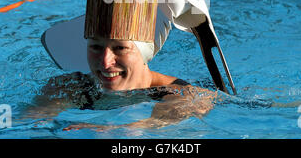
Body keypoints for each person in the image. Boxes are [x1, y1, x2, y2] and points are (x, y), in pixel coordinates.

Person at [26, 37, 218, 131]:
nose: (105, 62)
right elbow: (25, 124)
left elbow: (157, 129)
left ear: (145, 53)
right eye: (96, 47)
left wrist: (107, 130)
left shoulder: (182, 94)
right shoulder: (69, 87)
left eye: (120, 48)